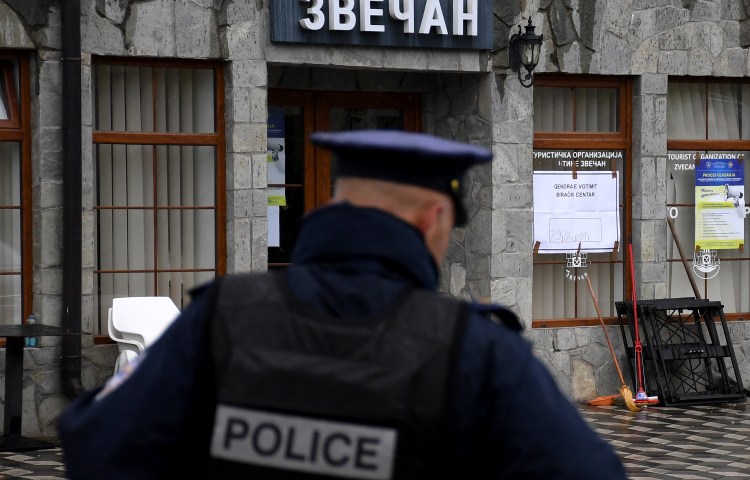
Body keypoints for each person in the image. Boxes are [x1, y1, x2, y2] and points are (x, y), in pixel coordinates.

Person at [58, 130, 627, 479]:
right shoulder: (476, 350)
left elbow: (98, 447)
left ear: (337, 203)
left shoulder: (220, 318)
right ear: (434, 218)